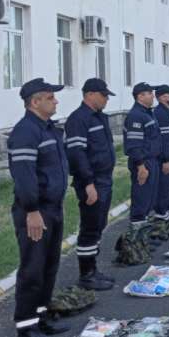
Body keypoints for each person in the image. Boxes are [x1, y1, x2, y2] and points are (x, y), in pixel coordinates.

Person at [8, 78, 70, 337]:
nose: (55, 101)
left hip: (52, 208)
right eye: (50, 97)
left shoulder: (48, 129)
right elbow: (24, 177)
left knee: (49, 266)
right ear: (35, 102)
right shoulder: (26, 132)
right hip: (35, 211)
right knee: (32, 269)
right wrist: (32, 210)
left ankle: (42, 317)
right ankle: (26, 328)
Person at [64, 78, 117, 291]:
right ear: (90, 94)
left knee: (99, 224)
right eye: (103, 95)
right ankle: (86, 274)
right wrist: (87, 183)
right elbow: (77, 154)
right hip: (91, 181)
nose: (106, 99)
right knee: (90, 227)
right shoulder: (78, 119)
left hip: (104, 179)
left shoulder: (100, 117)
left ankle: (93, 270)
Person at [123, 82, 161, 238]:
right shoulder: (136, 116)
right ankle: (135, 239)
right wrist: (140, 166)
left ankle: (144, 237)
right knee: (141, 199)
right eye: (149, 93)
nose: (153, 96)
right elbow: (134, 145)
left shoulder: (147, 113)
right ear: (140, 96)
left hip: (152, 160)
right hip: (143, 162)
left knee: (149, 199)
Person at [152, 85, 169, 220]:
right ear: (161, 98)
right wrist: (166, 159)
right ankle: (161, 218)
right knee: (164, 188)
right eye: (168, 95)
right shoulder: (160, 113)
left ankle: (168, 215)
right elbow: (164, 139)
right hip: (167, 156)